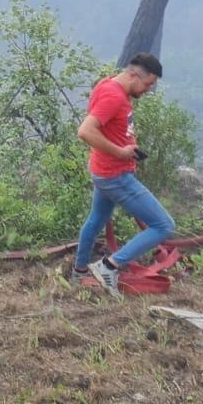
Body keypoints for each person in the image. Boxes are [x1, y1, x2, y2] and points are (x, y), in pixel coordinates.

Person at [72, 52, 176, 297]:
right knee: (163, 225)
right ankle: (109, 266)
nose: (149, 90)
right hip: (115, 175)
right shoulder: (113, 96)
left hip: (102, 170)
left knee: (96, 219)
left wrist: (125, 146)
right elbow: (85, 131)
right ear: (133, 75)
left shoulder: (107, 85)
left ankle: (79, 272)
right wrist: (120, 152)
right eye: (148, 84)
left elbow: (108, 128)